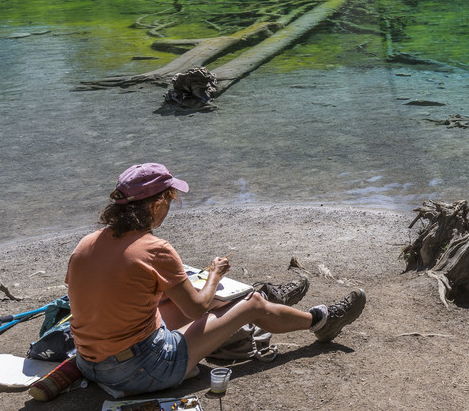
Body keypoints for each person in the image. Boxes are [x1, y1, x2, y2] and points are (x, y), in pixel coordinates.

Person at [65, 163, 366, 398]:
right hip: (140, 371)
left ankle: (273, 305)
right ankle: (320, 321)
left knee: (180, 302)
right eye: (169, 201)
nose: (169, 209)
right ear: (156, 204)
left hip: (90, 364)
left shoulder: (86, 243)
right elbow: (196, 309)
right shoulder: (155, 249)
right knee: (250, 303)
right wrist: (214, 275)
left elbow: (113, 296)